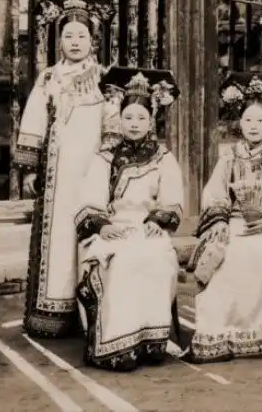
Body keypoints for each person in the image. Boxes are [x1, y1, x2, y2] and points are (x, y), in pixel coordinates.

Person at [14, 0, 118, 338]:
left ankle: (94, 313)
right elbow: (34, 120)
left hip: (94, 172)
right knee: (58, 239)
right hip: (57, 175)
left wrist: (109, 163)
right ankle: (56, 309)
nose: (75, 42)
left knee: (92, 233)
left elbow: (113, 124)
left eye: (82, 36)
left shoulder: (105, 79)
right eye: (68, 35)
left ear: (93, 40)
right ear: (59, 41)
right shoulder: (49, 78)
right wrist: (31, 168)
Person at [186, 72, 262, 363]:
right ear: (240, 122)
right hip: (236, 222)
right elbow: (215, 193)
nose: (253, 126)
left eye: (260, 120)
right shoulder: (230, 157)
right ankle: (224, 329)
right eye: (248, 120)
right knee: (229, 254)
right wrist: (219, 222)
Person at [75, 67, 183, 371]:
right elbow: (89, 201)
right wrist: (103, 226)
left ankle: (152, 340)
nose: (134, 124)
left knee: (156, 258)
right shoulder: (105, 157)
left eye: (141, 118)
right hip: (113, 228)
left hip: (148, 228)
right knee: (122, 262)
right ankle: (116, 343)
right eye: (128, 117)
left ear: (151, 121)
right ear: (119, 120)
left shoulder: (163, 158)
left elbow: (172, 200)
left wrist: (157, 221)